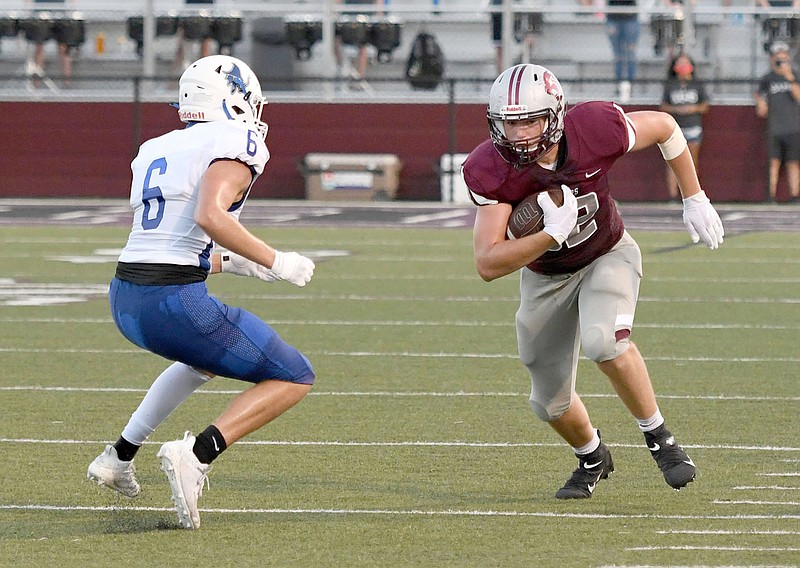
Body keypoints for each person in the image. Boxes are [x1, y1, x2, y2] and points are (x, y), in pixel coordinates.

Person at [462, 63, 724, 499]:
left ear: (556, 114)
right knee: (548, 403)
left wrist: (694, 196)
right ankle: (592, 455)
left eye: (530, 120)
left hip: (607, 253)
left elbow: (664, 126)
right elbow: (487, 264)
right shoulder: (490, 167)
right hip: (546, 277)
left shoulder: (593, 127)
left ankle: (660, 438)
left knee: (605, 341)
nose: (520, 134)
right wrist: (550, 235)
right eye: (509, 123)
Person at [86, 55, 317, 530]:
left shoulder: (157, 146)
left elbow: (166, 247)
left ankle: (118, 456)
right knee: (294, 375)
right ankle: (197, 454)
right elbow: (210, 218)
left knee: (204, 360)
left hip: (125, 296)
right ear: (235, 100)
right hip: (171, 302)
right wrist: (277, 261)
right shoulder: (236, 139)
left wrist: (236, 263)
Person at [660, 53, 709, 201]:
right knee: (672, 163)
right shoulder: (670, 85)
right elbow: (663, 106)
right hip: (675, 129)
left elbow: (705, 106)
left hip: (693, 127)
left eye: (685, 63)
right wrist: (677, 110)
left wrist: (692, 109)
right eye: (680, 63)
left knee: (691, 162)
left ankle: (692, 195)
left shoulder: (697, 84)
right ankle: (673, 196)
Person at [754, 41, 800, 202]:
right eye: (777, 57)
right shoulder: (767, 79)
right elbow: (761, 104)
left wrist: (789, 77)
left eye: (783, 57)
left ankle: (794, 195)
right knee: (773, 162)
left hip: (793, 126)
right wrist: (760, 102)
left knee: (793, 163)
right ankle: (770, 196)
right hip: (774, 127)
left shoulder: (795, 75)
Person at [604, 0, 640, 103]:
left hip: (630, 16)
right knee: (618, 55)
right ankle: (619, 85)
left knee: (630, 54)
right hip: (613, 16)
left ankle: (629, 85)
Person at [335, 0, 380, 80]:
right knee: (335, 39)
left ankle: (360, 76)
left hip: (365, 18)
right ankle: (341, 68)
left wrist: (379, 13)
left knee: (362, 44)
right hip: (348, 17)